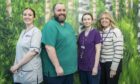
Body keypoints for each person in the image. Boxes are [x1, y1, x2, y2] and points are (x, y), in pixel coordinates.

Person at [41, 3, 77, 84]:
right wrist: (57, 67)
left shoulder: (69, 26)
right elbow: (49, 47)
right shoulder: (50, 25)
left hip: (69, 71)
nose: (62, 12)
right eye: (59, 10)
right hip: (56, 72)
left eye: (64, 10)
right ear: (53, 12)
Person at [10, 8, 43, 84]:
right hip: (19, 72)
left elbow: (32, 52)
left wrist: (17, 66)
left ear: (34, 17)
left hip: (31, 74)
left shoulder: (36, 32)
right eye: (25, 14)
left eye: (30, 15)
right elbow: (19, 51)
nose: (27, 16)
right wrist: (15, 66)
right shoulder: (23, 32)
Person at [98, 11, 124, 84]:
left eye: (106, 18)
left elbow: (119, 51)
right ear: (100, 21)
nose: (104, 20)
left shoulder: (116, 31)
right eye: (102, 18)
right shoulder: (100, 32)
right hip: (102, 63)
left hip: (112, 63)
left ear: (110, 20)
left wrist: (113, 69)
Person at [77, 13, 102, 84]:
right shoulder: (81, 34)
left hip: (92, 68)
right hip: (82, 68)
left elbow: (98, 51)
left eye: (88, 19)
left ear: (92, 21)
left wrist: (95, 67)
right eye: (84, 19)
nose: (86, 21)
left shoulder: (96, 33)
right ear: (82, 21)